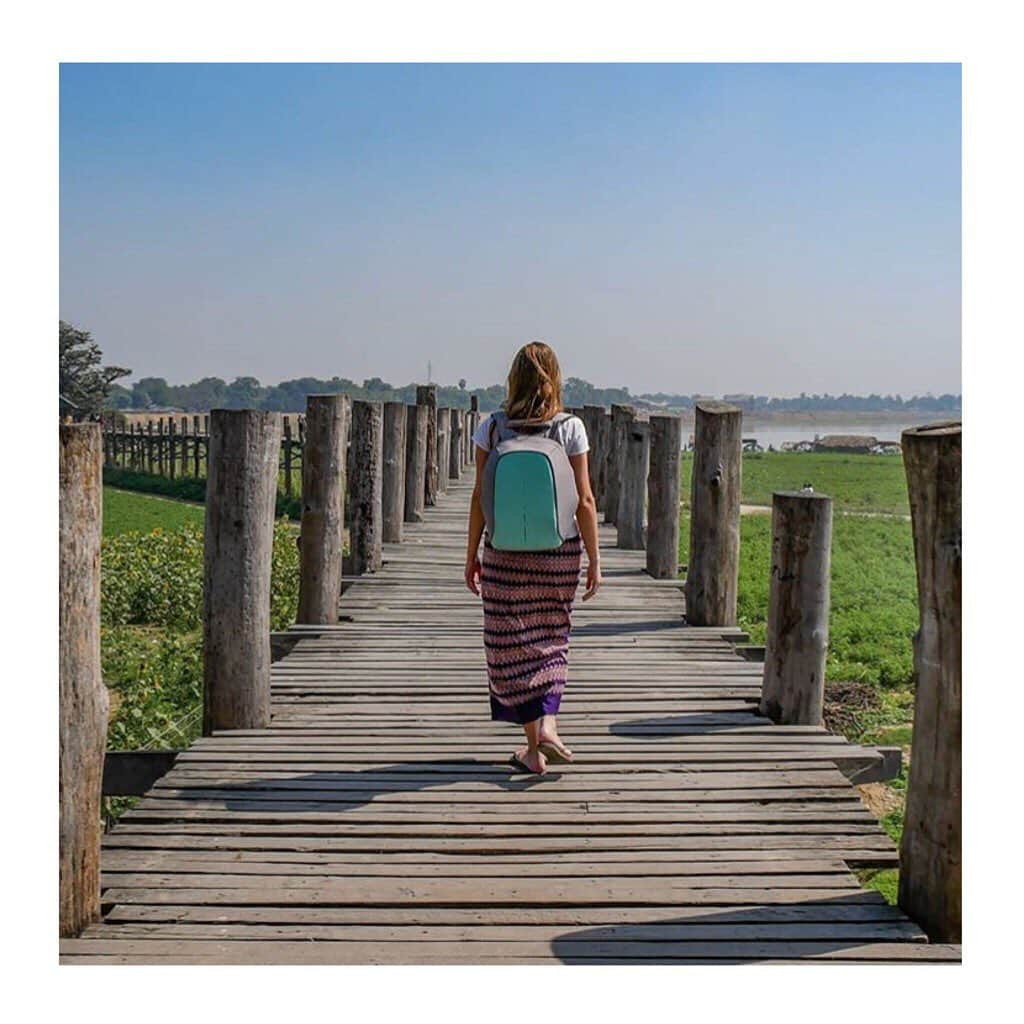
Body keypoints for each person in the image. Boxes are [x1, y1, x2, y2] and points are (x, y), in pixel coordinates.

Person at [464, 341, 602, 775]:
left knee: (509, 643)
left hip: (504, 551)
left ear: (513, 379)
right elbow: (584, 499)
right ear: (555, 379)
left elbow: (479, 497)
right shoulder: (571, 429)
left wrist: (471, 554)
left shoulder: (492, 427)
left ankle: (533, 748)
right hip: (558, 550)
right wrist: (594, 560)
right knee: (552, 635)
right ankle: (550, 727)